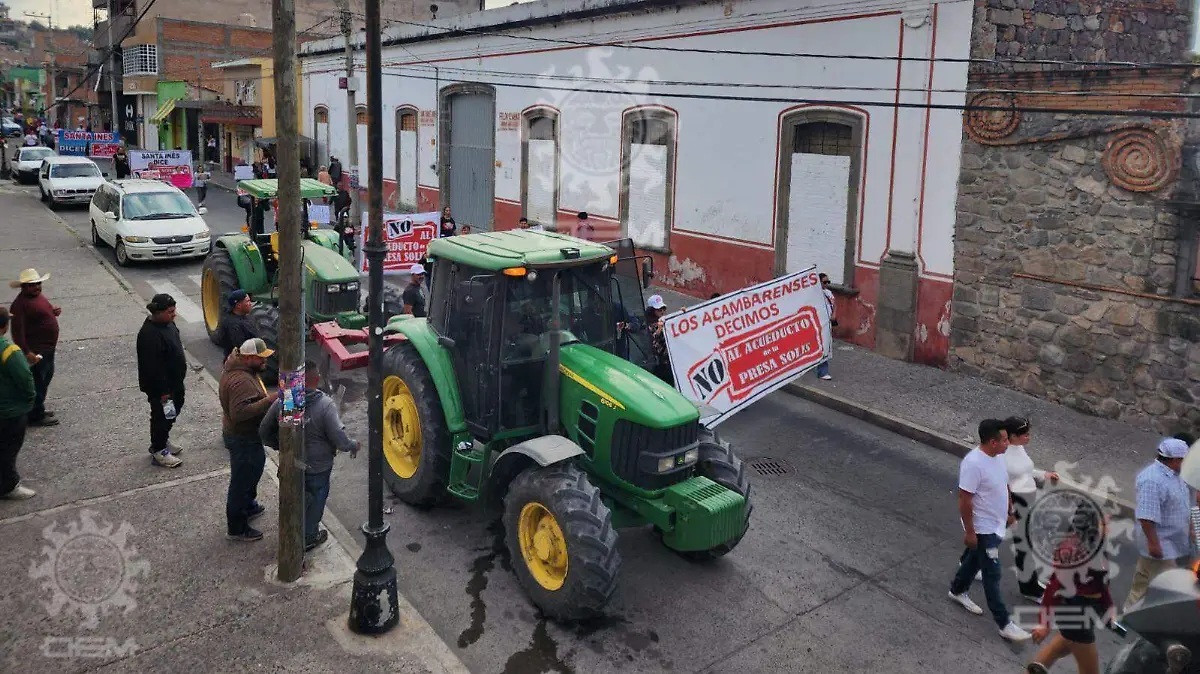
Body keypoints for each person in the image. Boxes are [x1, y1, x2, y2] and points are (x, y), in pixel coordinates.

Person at [947, 419, 1031, 642]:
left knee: (974, 560)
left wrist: (1010, 510)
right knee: (992, 575)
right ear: (993, 442)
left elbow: (1004, 484)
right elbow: (965, 500)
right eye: (1004, 440)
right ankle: (1004, 624)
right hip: (983, 528)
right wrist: (970, 532)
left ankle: (957, 590)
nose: (1008, 443)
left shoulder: (999, 456)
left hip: (996, 523)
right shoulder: (973, 464)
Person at [260, 361, 358, 551]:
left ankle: (291, 531)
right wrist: (352, 445)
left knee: (293, 498)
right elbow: (339, 438)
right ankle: (309, 537)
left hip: (291, 463)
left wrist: (280, 446)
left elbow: (264, 430)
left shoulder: (287, 400)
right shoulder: (325, 405)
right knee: (315, 503)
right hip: (318, 467)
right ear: (316, 378)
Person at [1026, 504, 1113, 674]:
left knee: (1054, 651)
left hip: (1088, 610)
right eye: (1104, 522)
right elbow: (1054, 586)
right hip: (1076, 612)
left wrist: (1108, 607)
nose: (1108, 525)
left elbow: (1102, 583)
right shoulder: (1071, 550)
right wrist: (1044, 623)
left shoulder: (1097, 544)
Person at [1122, 437, 1194, 612]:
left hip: (1175, 543)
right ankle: (1129, 616)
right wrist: (1154, 544)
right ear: (1175, 460)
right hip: (1162, 546)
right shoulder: (1152, 480)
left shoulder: (1176, 474)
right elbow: (1146, 517)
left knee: (1164, 584)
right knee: (1147, 584)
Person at [218, 338, 279, 542]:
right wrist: (269, 400)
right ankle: (237, 527)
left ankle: (248, 506)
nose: (265, 362)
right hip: (242, 438)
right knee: (241, 482)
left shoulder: (244, 371)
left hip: (247, 436)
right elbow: (240, 413)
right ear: (248, 358)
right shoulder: (241, 382)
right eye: (261, 359)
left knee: (253, 471)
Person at [1004, 416, 1060, 601]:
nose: (1029, 437)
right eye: (1026, 435)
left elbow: (1026, 470)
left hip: (1025, 501)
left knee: (992, 535)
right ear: (1013, 436)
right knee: (1024, 546)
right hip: (1014, 502)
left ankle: (969, 562)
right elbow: (1002, 483)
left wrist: (1044, 474)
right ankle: (1029, 588)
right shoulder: (1004, 455)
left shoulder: (1018, 448)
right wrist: (1010, 511)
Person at [136, 294, 187, 468]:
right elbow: (152, 368)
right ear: (157, 312)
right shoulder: (149, 335)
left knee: (172, 412)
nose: (174, 315)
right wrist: (163, 391)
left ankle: (163, 439)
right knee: (162, 416)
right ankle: (158, 449)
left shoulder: (169, 325)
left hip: (175, 383)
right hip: (161, 388)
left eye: (174, 311)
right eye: (170, 312)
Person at [9, 268, 61, 427]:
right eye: (32, 285)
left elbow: (42, 311)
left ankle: (38, 408)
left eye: (38, 284)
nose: (37, 287)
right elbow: (17, 333)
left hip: (48, 349)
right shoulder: (19, 305)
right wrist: (27, 352)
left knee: (45, 379)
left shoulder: (37, 297)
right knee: (37, 382)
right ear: (23, 287)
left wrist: (53, 311)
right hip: (36, 351)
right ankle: (35, 416)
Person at [0, 306, 37, 500]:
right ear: (5, 326)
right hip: (10, 412)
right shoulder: (9, 351)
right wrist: (31, 398)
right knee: (8, 449)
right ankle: (8, 485)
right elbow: (25, 379)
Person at [215, 290, 258, 360]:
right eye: (247, 301)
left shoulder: (244, 317)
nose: (250, 304)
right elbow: (241, 349)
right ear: (238, 305)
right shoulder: (233, 325)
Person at [645, 294, 672, 385]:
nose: (662, 311)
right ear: (651, 310)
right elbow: (653, 339)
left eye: (663, 309)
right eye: (659, 309)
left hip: (669, 360)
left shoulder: (663, 320)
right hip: (659, 363)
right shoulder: (647, 324)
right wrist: (659, 329)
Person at [816, 273, 836, 381]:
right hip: (820, 324)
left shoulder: (828, 292)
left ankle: (822, 371)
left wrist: (834, 314)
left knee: (825, 346)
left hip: (828, 323)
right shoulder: (816, 294)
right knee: (823, 346)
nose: (827, 284)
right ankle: (822, 372)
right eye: (824, 282)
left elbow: (834, 304)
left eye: (828, 282)